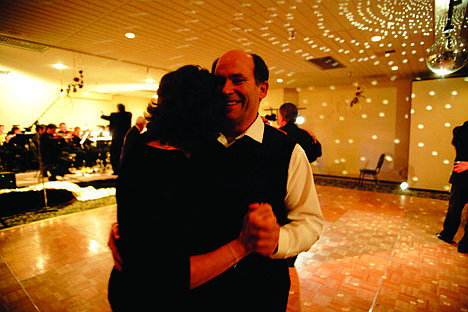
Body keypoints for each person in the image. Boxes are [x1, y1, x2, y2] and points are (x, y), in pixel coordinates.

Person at [108, 50, 323, 311]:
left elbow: (309, 222)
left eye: (238, 80)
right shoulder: (190, 142)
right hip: (193, 297)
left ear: (262, 88)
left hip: (258, 294)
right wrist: (131, 232)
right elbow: (158, 200)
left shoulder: (288, 152)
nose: (226, 90)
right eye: (219, 81)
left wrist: (278, 240)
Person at [437, 120, 468, 253]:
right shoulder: (460, 131)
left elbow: (455, 143)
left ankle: (448, 235)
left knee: (454, 207)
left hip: (460, 176)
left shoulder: (459, 132)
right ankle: (464, 245)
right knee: (455, 208)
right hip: (460, 176)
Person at [101, 103, 132, 175]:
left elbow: (108, 117)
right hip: (124, 138)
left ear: (118, 109)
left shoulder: (114, 116)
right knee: (123, 153)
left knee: (115, 154)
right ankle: (123, 169)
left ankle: (116, 170)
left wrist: (101, 115)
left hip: (116, 138)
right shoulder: (128, 116)